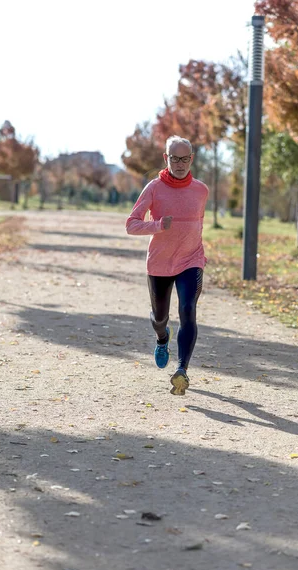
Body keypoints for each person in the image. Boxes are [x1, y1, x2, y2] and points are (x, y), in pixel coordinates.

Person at [125, 135, 209, 395]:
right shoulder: (153, 188)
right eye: (175, 158)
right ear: (166, 158)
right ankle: (162, 338)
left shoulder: (201, 190)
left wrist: (195, 249)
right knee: (160, 317)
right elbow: (131, 224)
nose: (180, 163)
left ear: (191, 159)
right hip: (160, 263)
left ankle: (182, 370)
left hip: (191, 260)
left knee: (188, 309)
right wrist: (159, 226)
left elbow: (198, 223)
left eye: (185, 158)